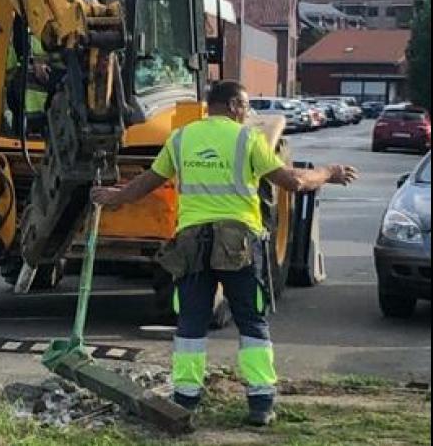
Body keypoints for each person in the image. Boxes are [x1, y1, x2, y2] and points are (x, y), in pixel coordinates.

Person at [91, 80, 358, 426]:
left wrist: (114, 197)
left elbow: (148, 182)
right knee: (251, 320)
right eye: (245, 106)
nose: (247, 112)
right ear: (233, 105)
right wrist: (329, 172)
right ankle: (260, 401)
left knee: (190, 323)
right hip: (239, 246)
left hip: (192, 245)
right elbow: (293, 181)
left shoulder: (181, 138)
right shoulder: (247, 139)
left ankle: (185, 399)